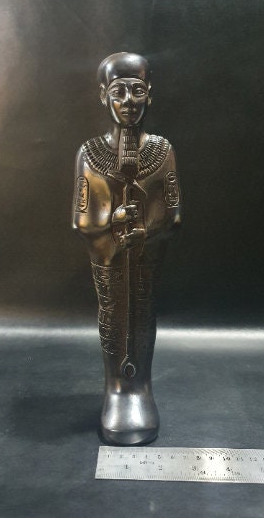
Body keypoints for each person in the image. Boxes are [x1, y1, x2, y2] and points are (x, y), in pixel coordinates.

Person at [73, 52, 181, 444]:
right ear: (104, 95)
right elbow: (82, 220)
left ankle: (140, 389)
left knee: (143, 313)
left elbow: (172, 215)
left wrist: (145, 231)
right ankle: (118, 389)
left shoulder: (162, 152)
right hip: (109, 259)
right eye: (119, 91)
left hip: (145, 258)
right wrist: (114, 221)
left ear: (149, 94)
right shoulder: (90, 155)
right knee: (113, 314)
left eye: (137, 90)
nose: (129, 101)